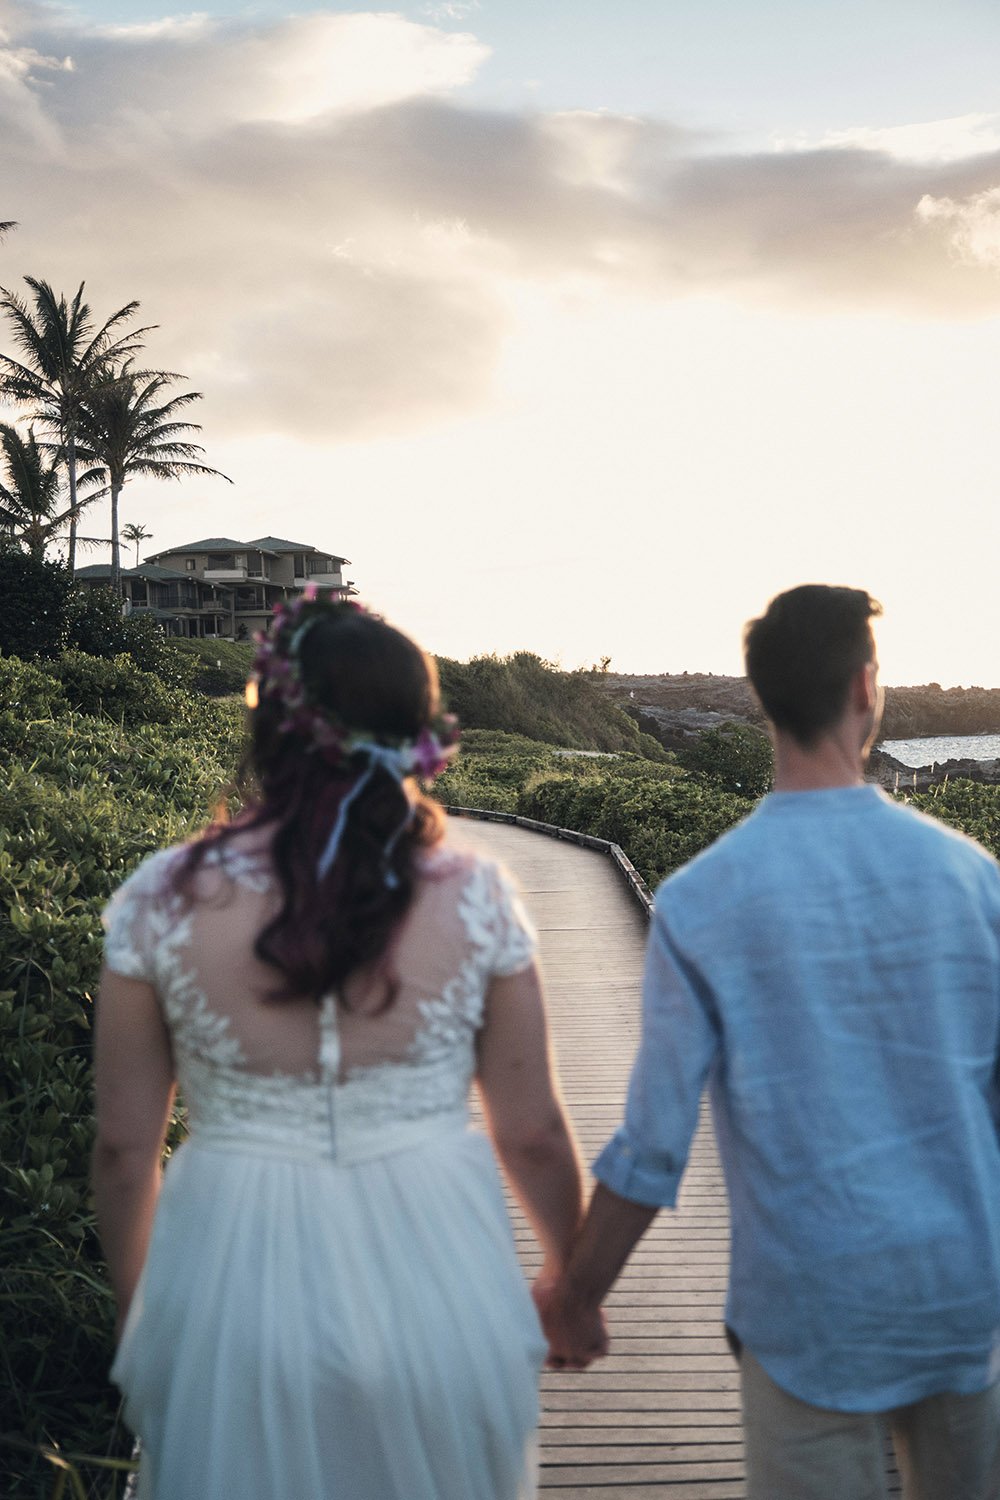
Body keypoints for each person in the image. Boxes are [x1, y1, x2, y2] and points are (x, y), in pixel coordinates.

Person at [92, 589, 592, 1500]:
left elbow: (126, 1152)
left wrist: (146, 1320)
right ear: (416, 734)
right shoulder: (475, 897)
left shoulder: (160, 898)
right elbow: (533, 1133)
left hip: (229, 1276)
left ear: (271, 724)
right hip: (439, 1268)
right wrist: (573, 1280)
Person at [538, 585, 1000, 1498]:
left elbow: (652, 1149)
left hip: (806, 1310)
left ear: (762, 701)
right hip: (960, 1295)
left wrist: (577, 1296)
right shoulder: (971, 878)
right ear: (867, 690)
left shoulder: (705, 899)